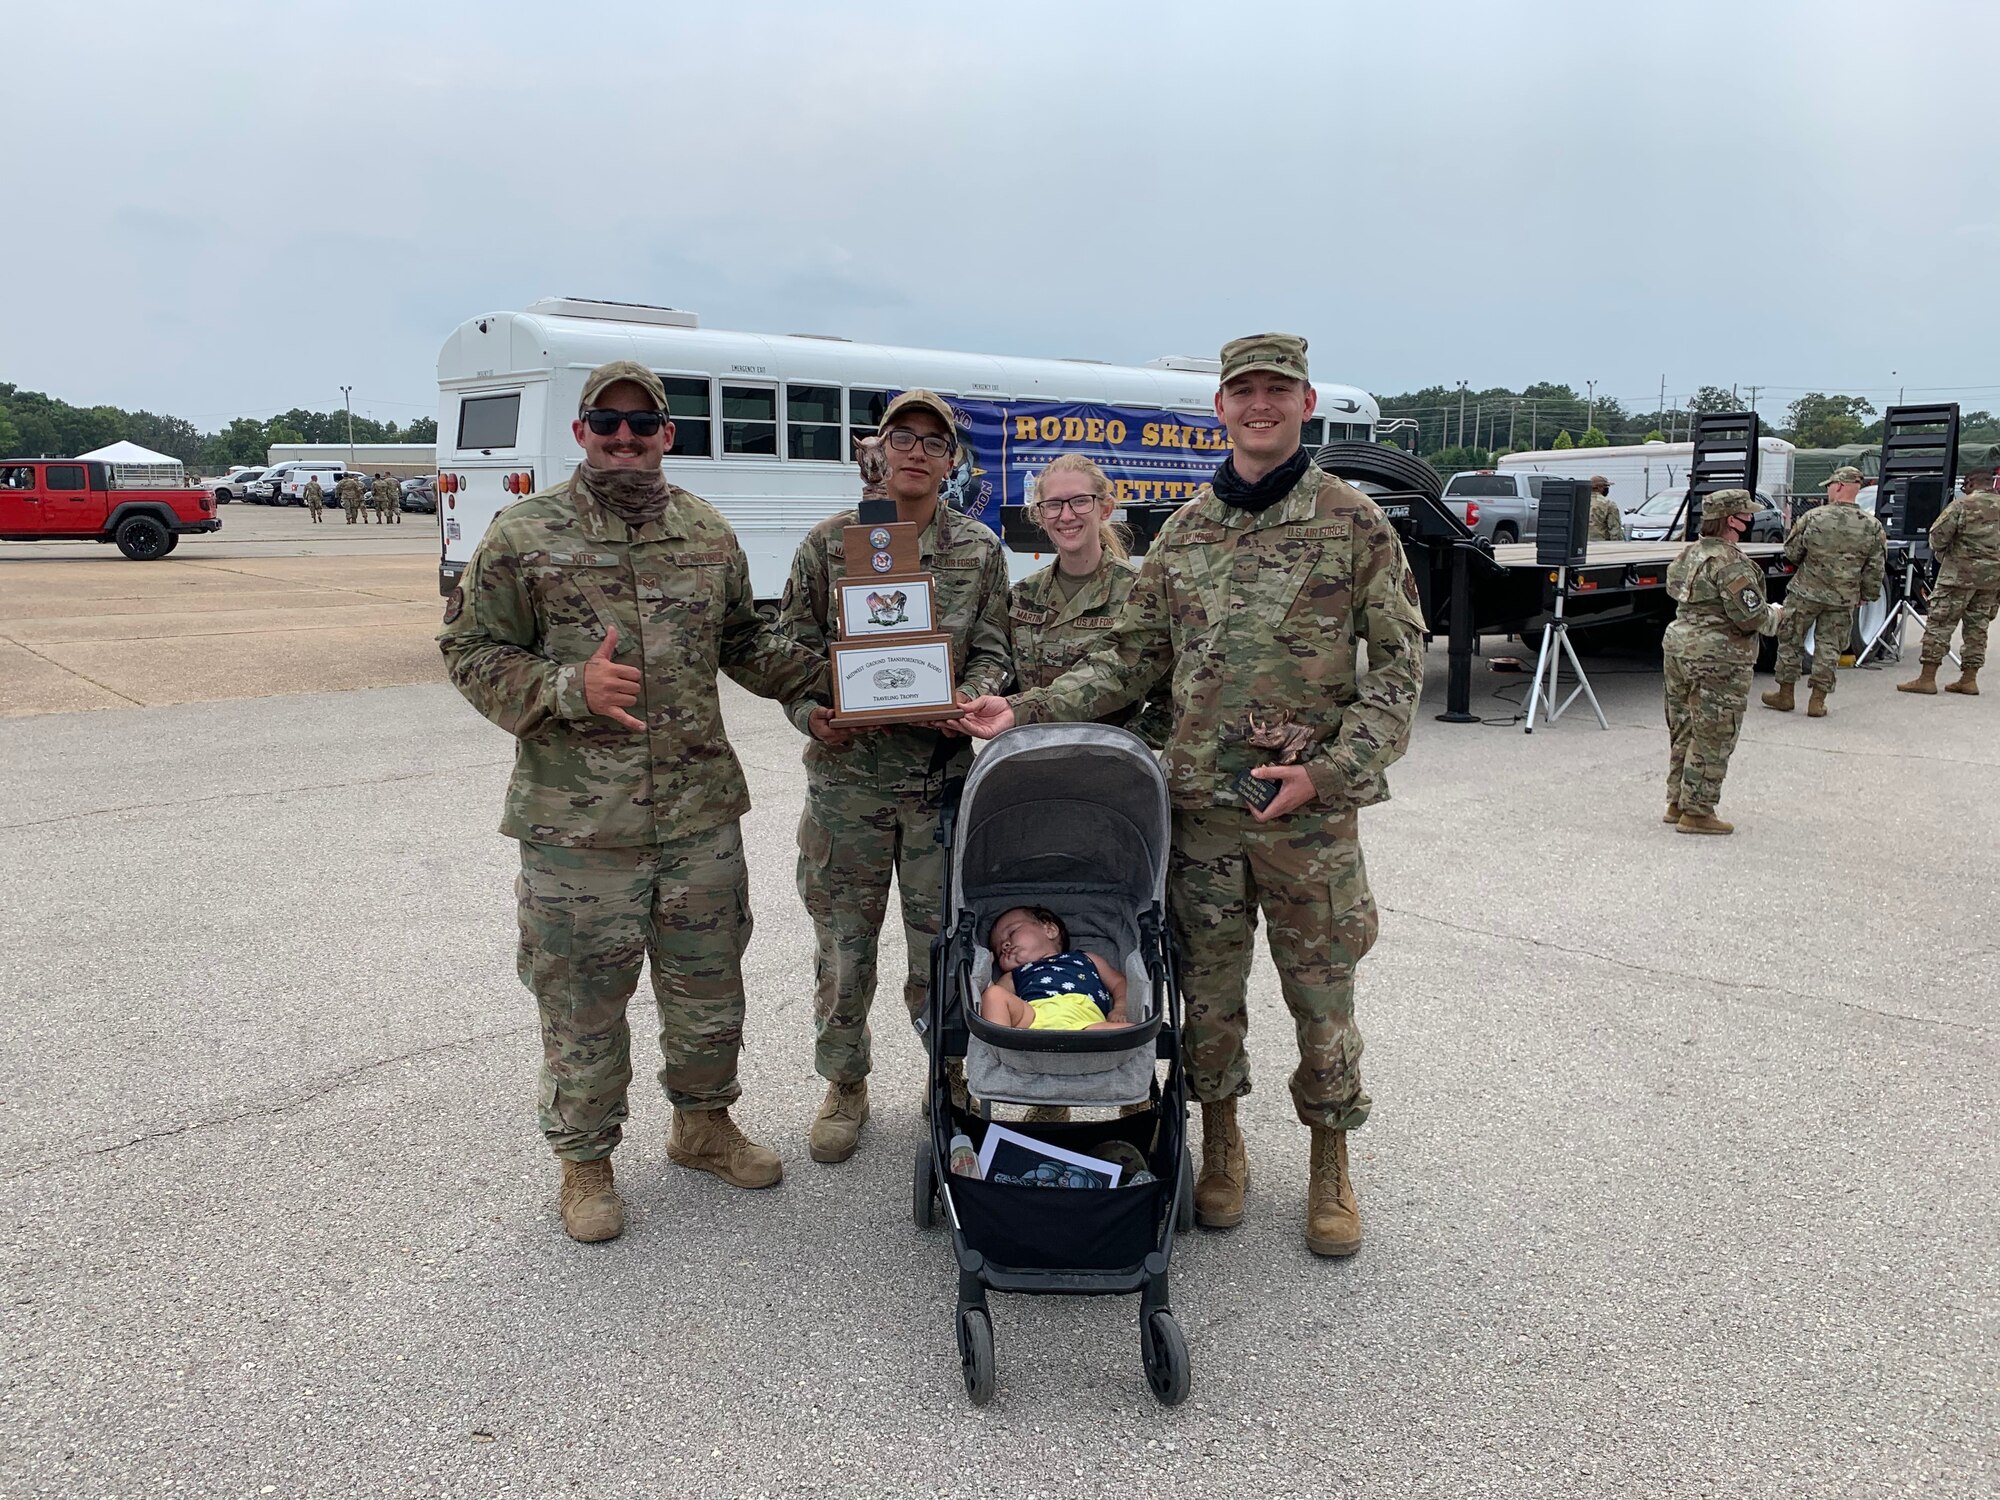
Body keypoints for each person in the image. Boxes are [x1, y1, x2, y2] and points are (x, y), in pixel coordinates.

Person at [957, 333, 1426, 1258]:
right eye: (1243, 391)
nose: (1260, 405)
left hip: (1308, 822)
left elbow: (1400, 666)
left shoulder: (1353, 521)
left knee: (1320, 995)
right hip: (1201, 817)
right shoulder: (1188, 531)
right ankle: (1223, 1148)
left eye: (1277, 391)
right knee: (1207, 997)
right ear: (1221, 407)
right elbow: (1134, 655)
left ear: (1304, 402)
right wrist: (1023, 711)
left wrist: (1329, 772)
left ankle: (1331, 1166)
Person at [438, 359, 831, 1244]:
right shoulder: (523, 534)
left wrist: (840, 693)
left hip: (698, 816)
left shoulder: (705, 531)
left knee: (708, 987)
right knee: (582, 998)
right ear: (579, 433)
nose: (624, 439)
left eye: (640, 424)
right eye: (605, 424)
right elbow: (469, 651)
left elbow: (746, 643)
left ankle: (701, 1126)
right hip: (580, 828)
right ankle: (585, 1162)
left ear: (667, 434)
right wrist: (571, 685)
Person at [777, 389, 1014, 1165]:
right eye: (902, 437)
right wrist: (815, 710)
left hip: (937, 785)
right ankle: (844, 1084)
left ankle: (947, 1073)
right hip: (846, 783)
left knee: (940, 948)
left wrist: (975, 693)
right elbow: (792, 652)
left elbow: (993, 647)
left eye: (933, 441)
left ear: (952, 461)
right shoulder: (830, 543)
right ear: (878, 450)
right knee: (845, 949)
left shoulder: (979, 549)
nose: (917, 451)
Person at [1008, 455, 1168, 747]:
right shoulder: (1022, 596)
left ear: (1105, 509)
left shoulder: (1140, 593)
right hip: (1030, 764)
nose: (1066, 516)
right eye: (1054, 505)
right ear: (1040, 516)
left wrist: (1118, 745)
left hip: (1106, 773)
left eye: (1080, 501)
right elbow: (1003, 679)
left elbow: (1171, 702)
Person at [1662, 489, 1783, 836]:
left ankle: (1677, 801)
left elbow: (1673, 589)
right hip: (1719, 656)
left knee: (1683, 726)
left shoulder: (1688, 553)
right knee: (1715, 731)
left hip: (1679, 648)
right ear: (1733, 521)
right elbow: (1750, 617)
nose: (1751, 520)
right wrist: (1777, 615)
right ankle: (1698, 812)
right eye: (1746, 515)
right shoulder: (1732, 564)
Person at [1762, 465, 1884, 717]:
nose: (1828, 490)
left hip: (1806, 592)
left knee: (1790, 640)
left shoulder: (1814, 517)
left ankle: (1785, 694)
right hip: (1843, 597)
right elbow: (1875, 567)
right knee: (1829, 647)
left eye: (1829, 486)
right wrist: (1866, 594)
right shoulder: (1872, 526)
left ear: (1839, 486)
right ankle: (1817, 701)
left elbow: (1793, 552)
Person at [1898, 468, 1999, 697]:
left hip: (1957, 576)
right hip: (1991, 580)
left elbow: (1937, 537)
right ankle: (1969, 679)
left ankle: (1927, 678)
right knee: (1978, 628)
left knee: (1940, 624)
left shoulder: (1962, 506)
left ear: (1971, 483)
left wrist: (1946, 556)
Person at [979, 905, 1130, 1032]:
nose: (1005, 945)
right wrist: (984, 969)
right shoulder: (1015, 975)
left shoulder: (1086, 958)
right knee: (993, 994)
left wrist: (1120, 1008)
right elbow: (995, 1004)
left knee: (1137, 1033)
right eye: (999, 951)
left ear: (1049, 930)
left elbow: (1118, 983)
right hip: (1033, 1019)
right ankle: (1002, 1045)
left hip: (1085, 1020)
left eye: (1012, 933)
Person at [1587, 475, 1622, 542]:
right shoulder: (1608, 504)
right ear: (1599, 487)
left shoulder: (1579, 501)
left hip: (1580, 543)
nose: (1607, 489)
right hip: (1601, 543)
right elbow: (1614, 529)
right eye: (1606, 486)